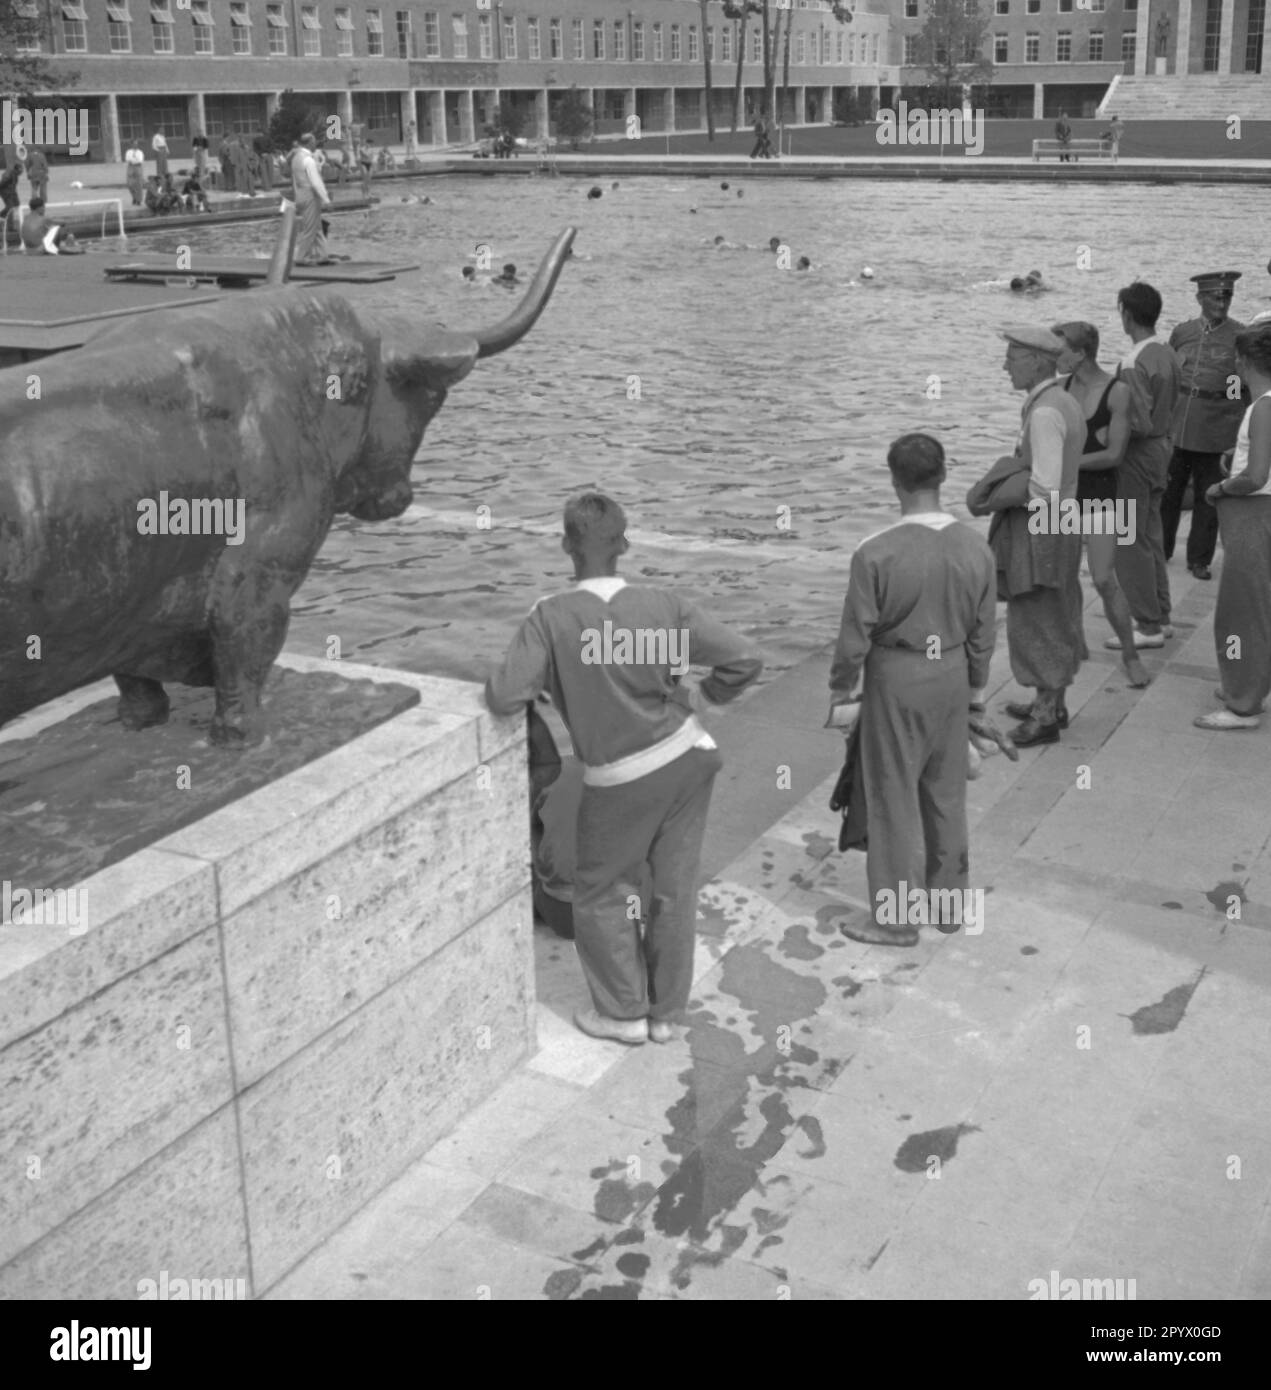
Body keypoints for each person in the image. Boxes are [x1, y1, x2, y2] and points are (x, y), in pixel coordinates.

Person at [484, 493, 762, 1044]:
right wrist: (704, 694)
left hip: (621, 776)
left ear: (566, 545)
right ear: (625, 545)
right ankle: (665, 1015)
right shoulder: (665, 606)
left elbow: (504, 695)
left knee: (602, 890)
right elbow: (745, 657)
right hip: (689, 755)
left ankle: (622, 1012)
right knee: (673, 890)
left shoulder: (551, 615)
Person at [828, 433, 998, 947]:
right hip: (949, 673)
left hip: (896, 678)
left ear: (893, 480)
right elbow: (984, 633)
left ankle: (896, 920)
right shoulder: (976, 547)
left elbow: (853, 638)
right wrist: (974, 692)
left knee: (891, 797)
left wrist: (841, 694)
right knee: (946, 794)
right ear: (944, 475)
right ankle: (948, 907)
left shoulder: (874, 552)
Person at [966, 325, 1088, 745]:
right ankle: (1051, 700)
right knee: (1055, 610)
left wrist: (1001, 493)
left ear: (1036, 362)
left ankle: (1045, 715)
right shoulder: (1062, 400)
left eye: (1012, 357)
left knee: (1038, 619)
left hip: (1044, 527)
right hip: (1062, 522)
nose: (1005, 366)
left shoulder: (1044, 412)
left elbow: (1045, 488)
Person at [1051, 321, 1150, 687]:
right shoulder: (1057, 389)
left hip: (1100, 496)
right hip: (1059, 497)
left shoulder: (1117, 390)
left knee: (1105, 578)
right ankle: (1075, 641)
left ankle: (1130, 654)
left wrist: (1064, 461)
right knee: (1060, 578)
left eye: (1058, 350)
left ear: (1080, 353)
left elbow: (1114, 454)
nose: (1053, 357)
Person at [1197, 325, 1271, 729]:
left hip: (1253, 513)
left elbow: (1257, 475)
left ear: (1244, 362)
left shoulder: (1262, 406)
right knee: (1260, 606)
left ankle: (1243, 702)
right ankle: (1249, 683)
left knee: (1241, 612)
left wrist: (1221, 487)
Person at [1107, 281, 1181, 650]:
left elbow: (1137, 422)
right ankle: (1161, 615)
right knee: (1151, 535)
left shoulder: (1133, 362)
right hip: (1164, 448)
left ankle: (1146, 623)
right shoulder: (1166, 352)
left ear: (1127, 313)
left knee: (1129, 539)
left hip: (1138, 454)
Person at [1162, 271, 1248, 581]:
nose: (1221, 302)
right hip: (1180, 423)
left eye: (1226, 296)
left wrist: (1231, 410)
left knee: (1208, 497)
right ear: (1200, 299)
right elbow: (1169, 376)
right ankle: (1162, 549)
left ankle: (1199, 559)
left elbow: (1242, 384)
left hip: (1216, 426)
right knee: (1168, 492)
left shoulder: (1240, 335)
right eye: (1215, 296)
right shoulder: (1182, 332)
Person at [290, 133, 332, 265]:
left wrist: (297, 196)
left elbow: (295, 180)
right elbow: (315, 182)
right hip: (310, 195)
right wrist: (326, 200)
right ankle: (301, 258)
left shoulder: (295, 158)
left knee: (317, 227)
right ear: (309, 143)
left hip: (301, 194)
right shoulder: (308, 160)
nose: (316, 144)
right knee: (309, 229)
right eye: (314, 142)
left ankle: (323, 255)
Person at [124, 138, 146, 206]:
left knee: (139, 185)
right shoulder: (128, 152)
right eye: (134, 144)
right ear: (131, 144)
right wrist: (134, 160)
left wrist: (133, 160)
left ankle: (139, 200)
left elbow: (140, 161)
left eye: (136, 144)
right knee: (130, 184)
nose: (135, 145)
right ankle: (134, 197)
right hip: (130, 168)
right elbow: (127, 160)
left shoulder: (140, 152)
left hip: (138, 167)